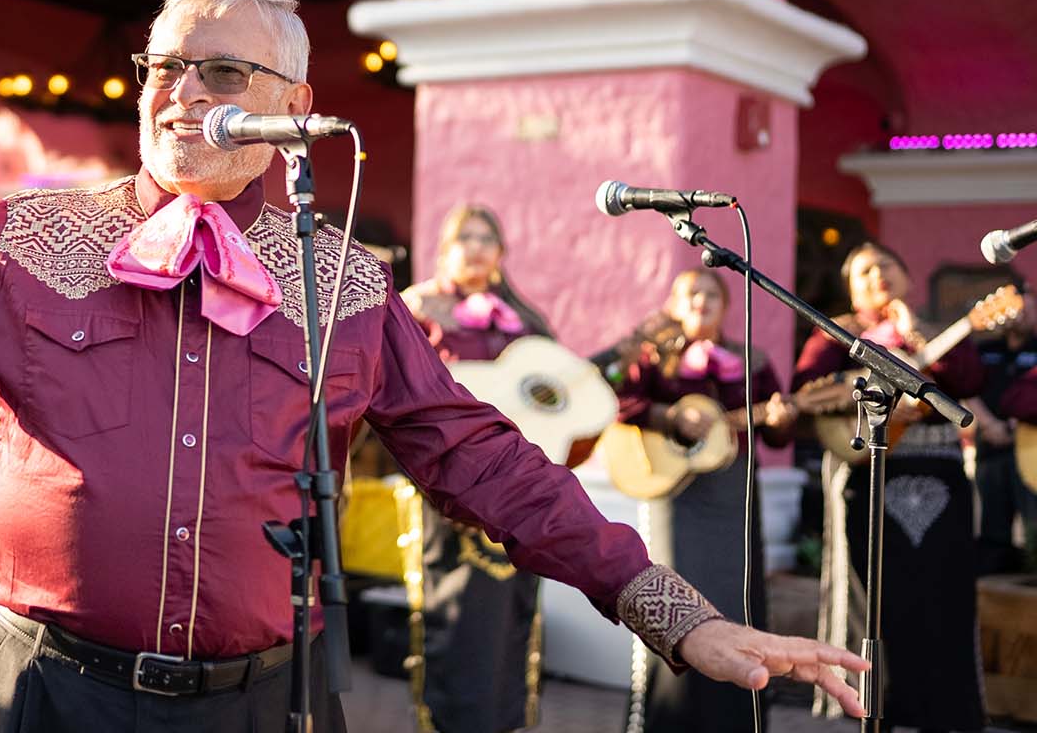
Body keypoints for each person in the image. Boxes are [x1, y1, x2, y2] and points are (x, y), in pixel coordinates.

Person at [0, 0, 868, 732]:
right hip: (41, 692)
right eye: (165, 65)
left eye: (220, 71)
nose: (179, 91)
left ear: (295, 110)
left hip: (249, 710)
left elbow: (482, 460)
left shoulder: (341, 278)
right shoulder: (30, 234)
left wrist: (678, 614)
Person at [793, 241, 985, 730]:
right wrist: (872, 392)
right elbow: (807, 392)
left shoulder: (938, 330)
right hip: (865, 476)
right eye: (864, 272)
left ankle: (943, 712)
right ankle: (869, 708)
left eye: (886, 266)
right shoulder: (835, 335)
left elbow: (967, 376)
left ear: (907, 277)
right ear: (851, 289)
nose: (877, 275)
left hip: (939, 480)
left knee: (941, 593)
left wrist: (915, 334)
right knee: (871, 596)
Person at [596, 267, 797, 733]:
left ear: (726, 306)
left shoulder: (752, 360)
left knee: (736, 600)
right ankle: (669, 719)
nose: (701, 302)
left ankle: (734, 720)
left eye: (711, 294)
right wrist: (670, 417)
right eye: (690, 294)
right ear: (673, 303)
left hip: (733, 494)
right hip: (674, 495)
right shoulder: (651, 358)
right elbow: (615, 399)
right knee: (673, 601)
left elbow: (780, 432)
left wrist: (782, 415)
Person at [397, 204, 554, 733]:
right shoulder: (416, 307)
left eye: (489, 237)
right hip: (444, 479)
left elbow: (556, 396)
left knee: (512, 611)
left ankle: (506, 720)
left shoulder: (525, 320)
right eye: (467, 236)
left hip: (515, 479)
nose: (479, 246)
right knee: (455, 605)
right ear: (445, 247)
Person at [974, 306, 1037, 575]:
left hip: (1030, 447)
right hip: (990, 445)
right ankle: (994, 601)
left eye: (1028, 308)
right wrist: (987, 423)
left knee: (1034, 524)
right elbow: (967, 388)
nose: (1020, 315)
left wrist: (1019, 415)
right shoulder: (986, 349)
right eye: (1015, 309)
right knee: (993, 529)